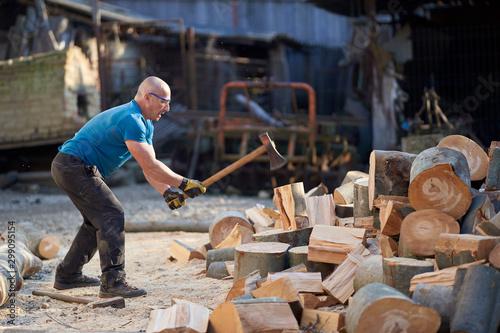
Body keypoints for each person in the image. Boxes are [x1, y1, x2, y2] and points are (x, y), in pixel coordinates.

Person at [51, 76, 206, 298]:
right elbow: (151, 165)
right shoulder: (131, 119)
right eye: (164, 101)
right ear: (148, 98)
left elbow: (147, 167)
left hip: (70, 166)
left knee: (96, 222)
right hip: (73, 165)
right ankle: (113, 283)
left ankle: (67, 275)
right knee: (112, 214)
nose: (168, 107)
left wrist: (167, 191)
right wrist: (183, 183)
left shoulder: (146, 123)